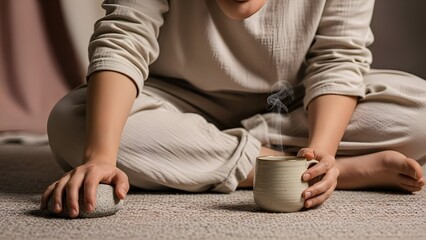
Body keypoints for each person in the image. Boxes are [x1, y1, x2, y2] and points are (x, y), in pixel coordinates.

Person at [40, 0, 426, 218]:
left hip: (290, 107)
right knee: (70, 122)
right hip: (174, 101)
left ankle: (281, 165)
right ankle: (322, 170)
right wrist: (102, 156)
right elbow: (124, 39)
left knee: (419, 110)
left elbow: (338, 59)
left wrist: (322, 153)